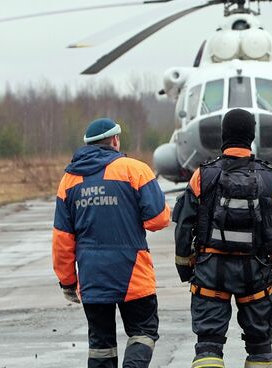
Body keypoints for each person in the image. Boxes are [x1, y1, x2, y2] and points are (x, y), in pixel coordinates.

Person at [172, 108, 272, 368]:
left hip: (210, 272)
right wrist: (271, 250)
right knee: (261, 350)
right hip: (256, 274)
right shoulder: (271, 178)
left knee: (208, 348)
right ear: (250, 136)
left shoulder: (202, 176)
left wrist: (185, 266)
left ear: (223, 136)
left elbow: (183, 226)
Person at [52, 118, 171, 368]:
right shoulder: (134, 169)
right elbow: (158, 220)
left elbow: (62, 238)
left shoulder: (69, 180)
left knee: (101, 347)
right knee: (143, 332)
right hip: (132, 271)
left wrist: (67, 281)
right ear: (115, 140)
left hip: (92, 277)